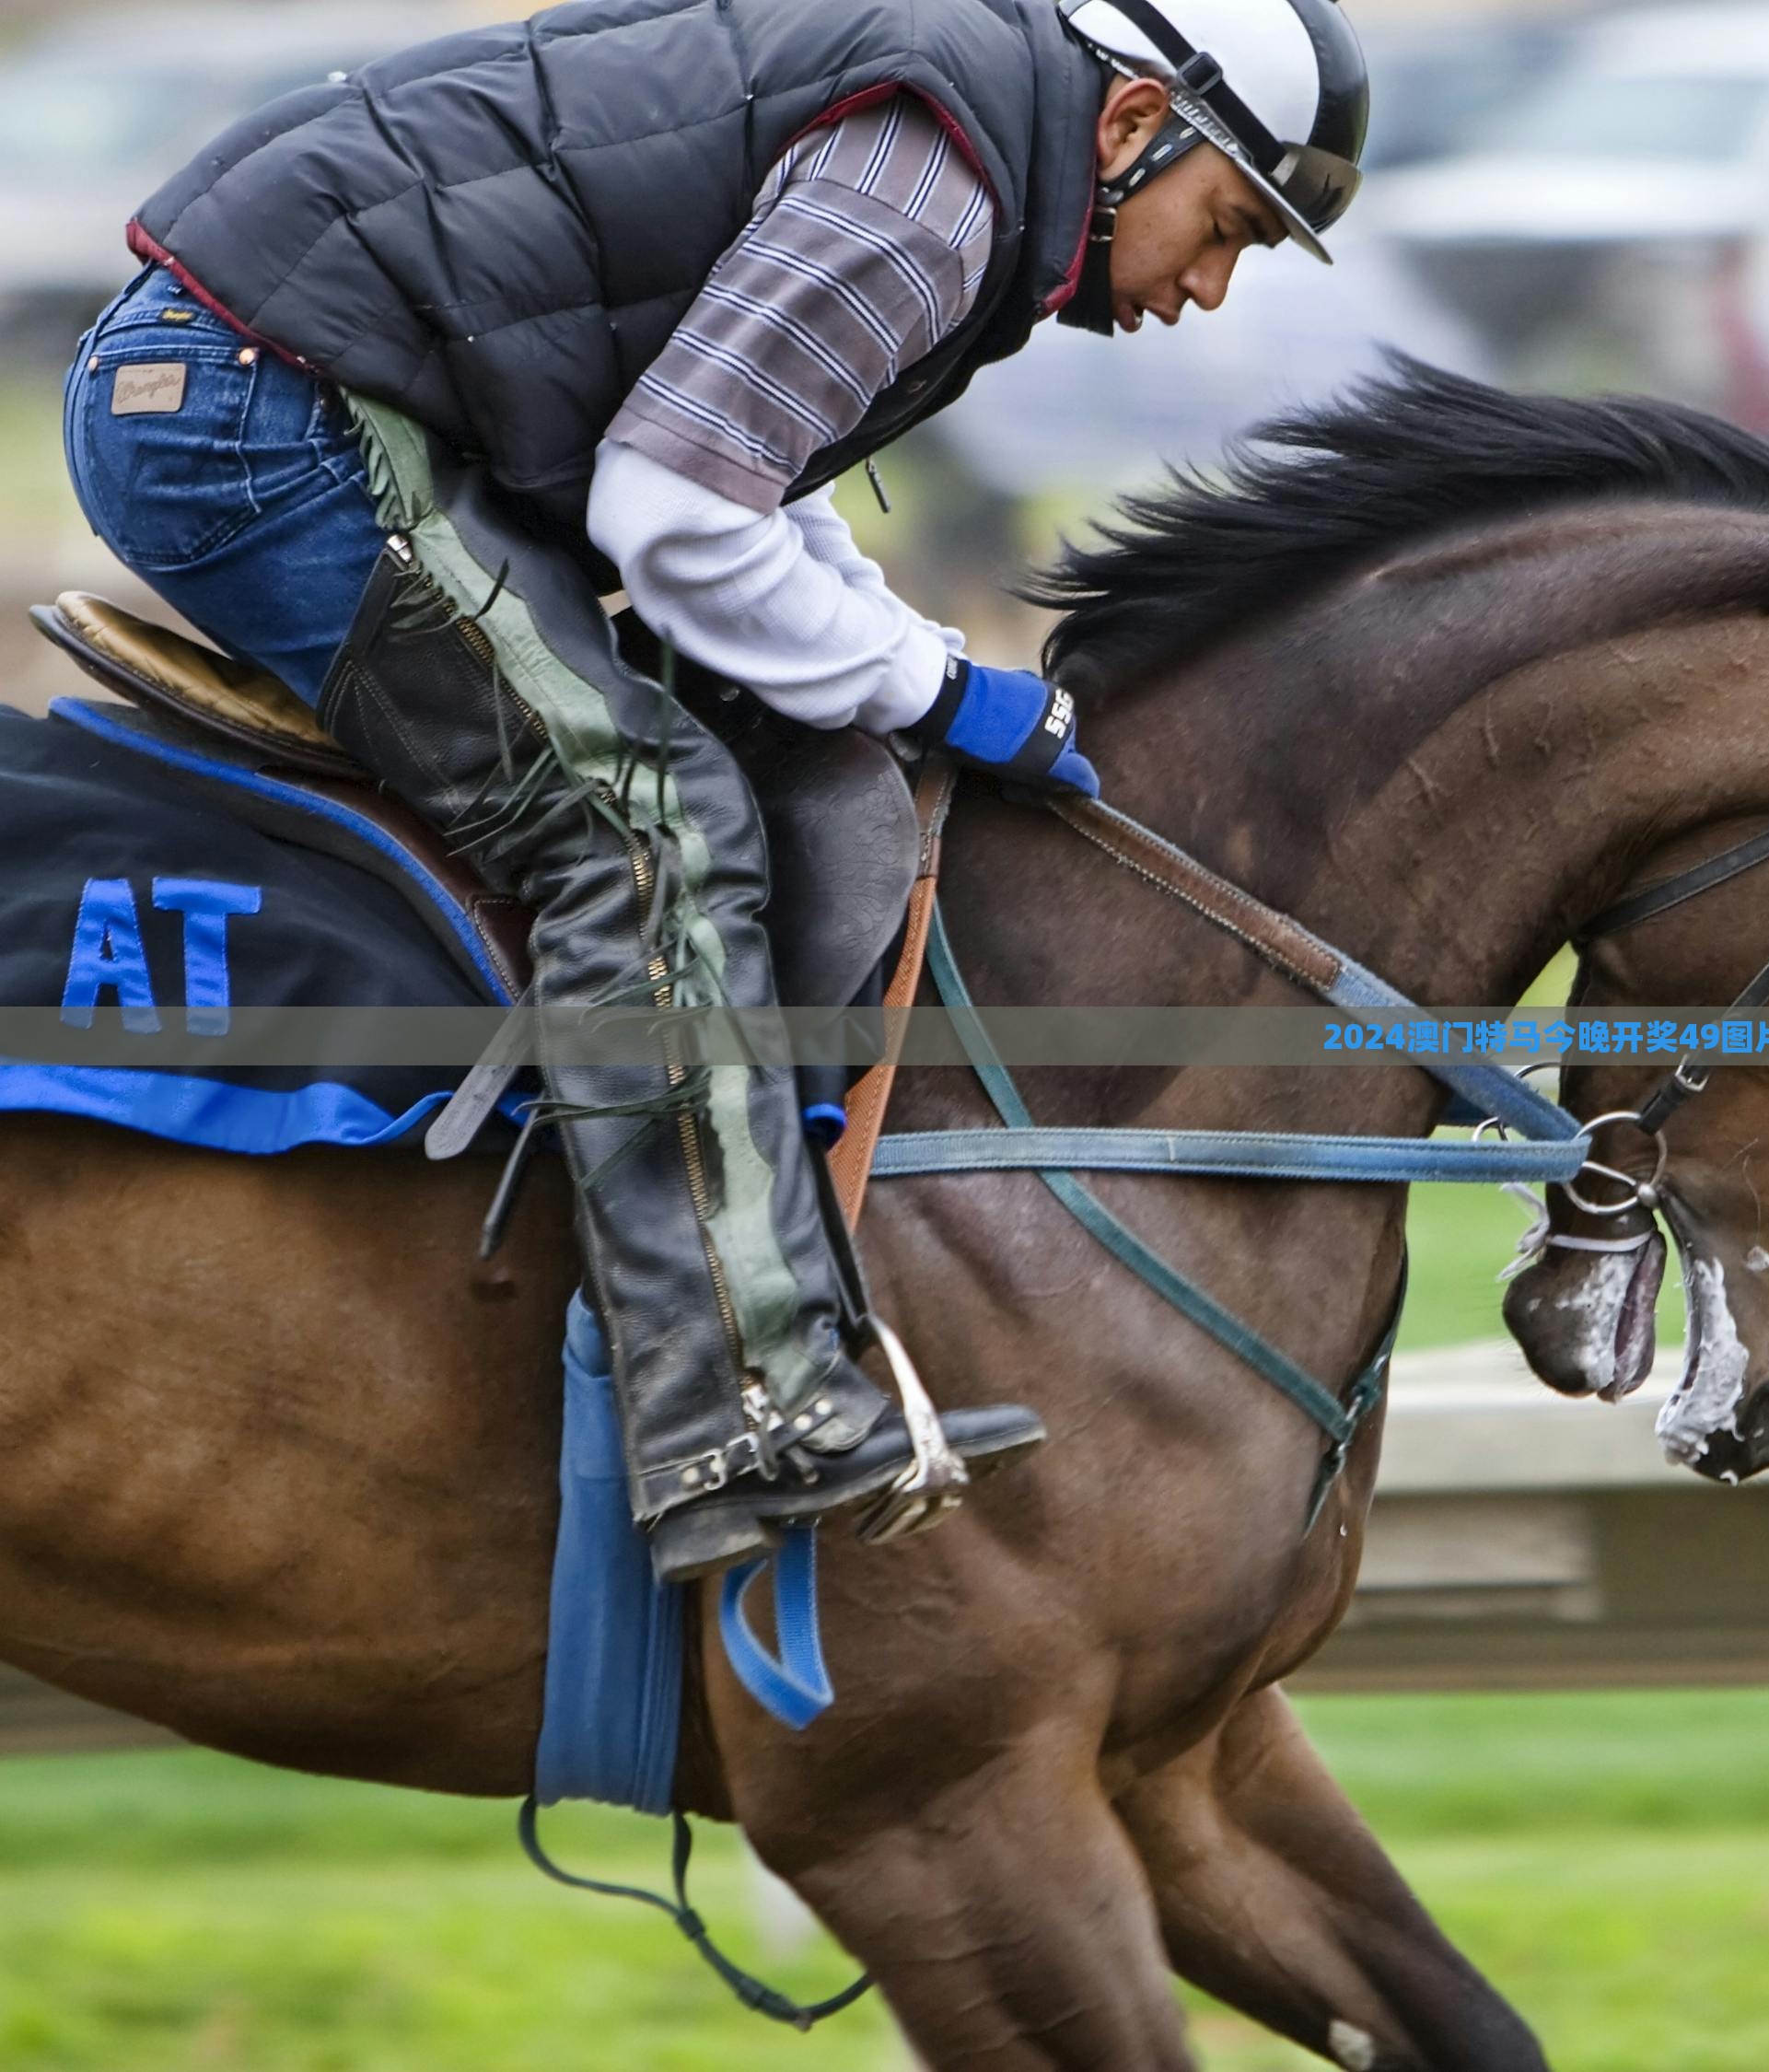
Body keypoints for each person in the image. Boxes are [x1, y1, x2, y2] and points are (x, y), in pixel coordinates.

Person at [61, 0, 1370, 1583]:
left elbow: (752, 478)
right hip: (259, 417)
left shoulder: (964, 152)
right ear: (1131, 123)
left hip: (294, 381)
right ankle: (738, 1407)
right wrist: (945, 689)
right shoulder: (933, 191)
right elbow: (676, 513)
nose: (1207, 289)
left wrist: (917, 663)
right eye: (1223, 224)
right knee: (645, 821)